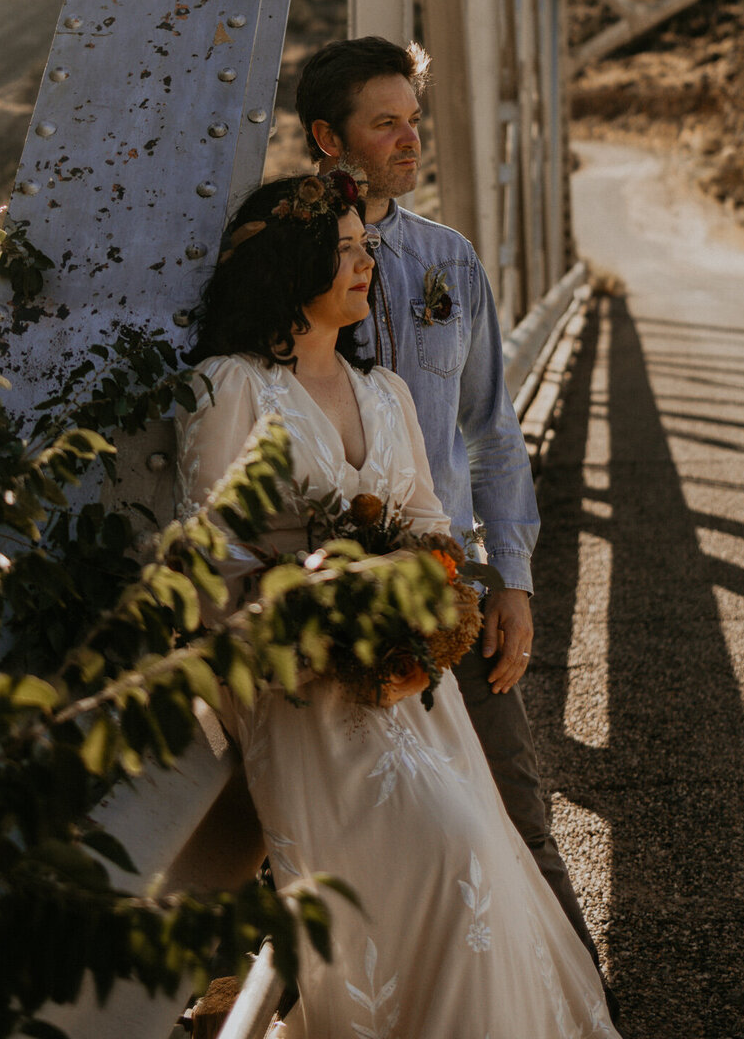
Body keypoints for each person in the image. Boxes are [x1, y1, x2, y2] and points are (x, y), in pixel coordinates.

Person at [176, 170, 620, 1038]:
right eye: (342, 249)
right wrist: (312, 606)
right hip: (303, 699)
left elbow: (429, 526)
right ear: (291, 262)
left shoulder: (386, 392)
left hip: (417, 692)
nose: (364, 263)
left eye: (363, 247)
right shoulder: (228, 387)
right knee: (450, 859)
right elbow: (207, 560)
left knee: (478, 860)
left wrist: (430, 590)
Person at [293, 35, 616, 1005]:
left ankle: (585, 1014)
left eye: (413, 119)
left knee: (521, 822)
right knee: (364, 861)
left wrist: (511, 581)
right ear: (327, 138)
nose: (408, 139)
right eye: (383, 122)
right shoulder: (281, 263)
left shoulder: (448, 259)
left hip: (455, 595)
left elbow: (490, 429)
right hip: (332, 622)